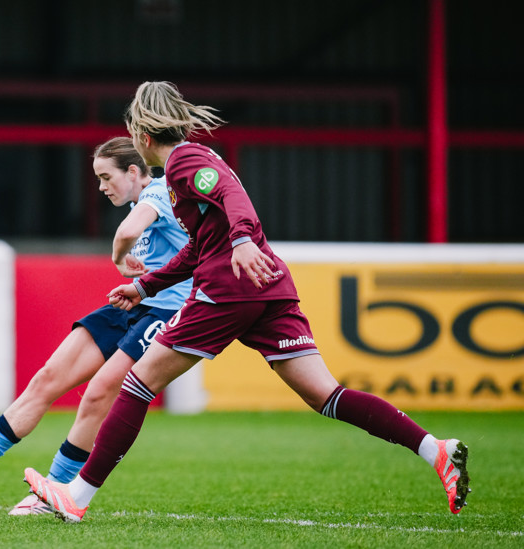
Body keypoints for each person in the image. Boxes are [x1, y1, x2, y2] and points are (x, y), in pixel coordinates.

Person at [25, 81, 471, 522]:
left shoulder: (185, 161)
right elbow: (200, 245)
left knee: (138, 383)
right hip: (269, 286)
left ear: (141, 135)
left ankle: (77, 496)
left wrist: (240, 240)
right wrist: (145, 287)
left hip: (229, 288)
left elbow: (230, 196)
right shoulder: (193, 164)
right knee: (326, 395)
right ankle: (436, 451)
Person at [0, 137, 190, 515]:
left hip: (165, 314)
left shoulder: (161, 191)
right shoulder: (142, 201)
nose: (100, 187)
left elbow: (126, 234)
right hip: (131, 303)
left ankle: (53, 493)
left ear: (133, 171)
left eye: (105, 177)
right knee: (46, 379)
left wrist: (119, 258)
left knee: (98, 394)